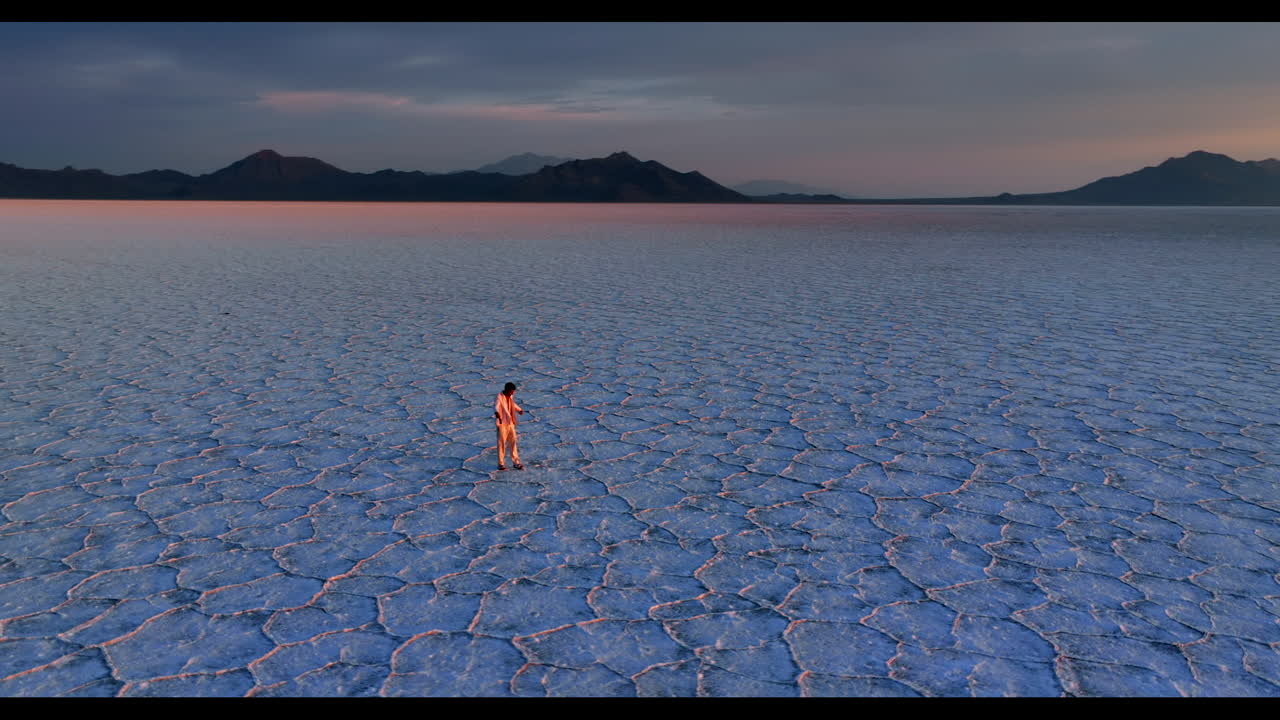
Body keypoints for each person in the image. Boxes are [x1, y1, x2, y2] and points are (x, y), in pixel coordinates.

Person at [493, 381, 524, 470]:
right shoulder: (499, 397)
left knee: (513, 442)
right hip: (502, 423)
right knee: (501, 443)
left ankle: (516, 462)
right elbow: (496, 406)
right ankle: (501, 464)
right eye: (511, 391)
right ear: (506, 390)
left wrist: (519, 410)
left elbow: (512, 404)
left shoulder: (510, 396)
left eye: (513, 392)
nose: (512, 393)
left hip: (510, 423)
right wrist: (496, 412)